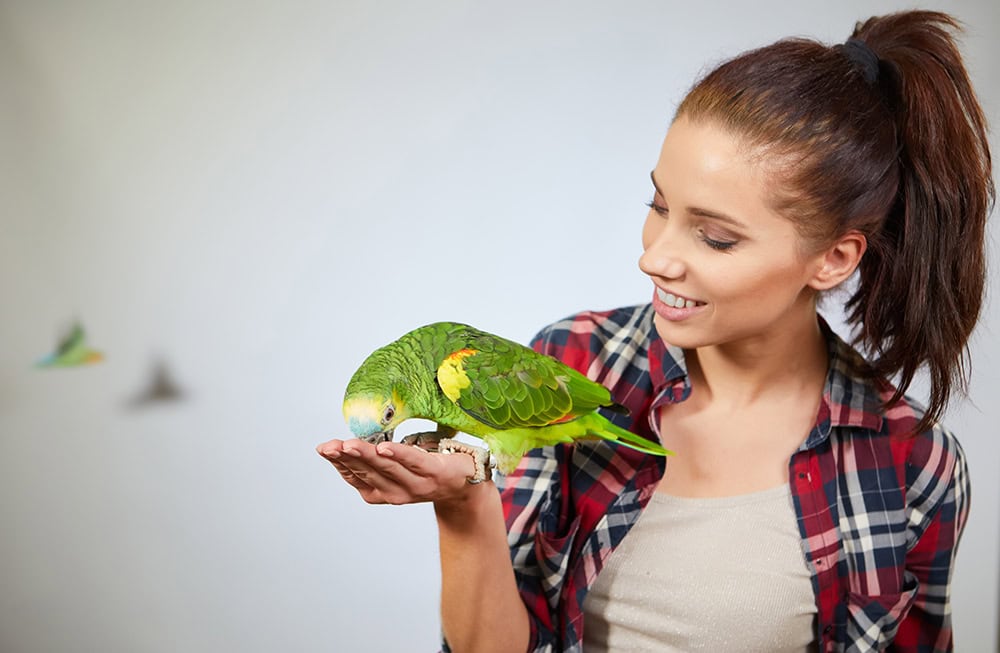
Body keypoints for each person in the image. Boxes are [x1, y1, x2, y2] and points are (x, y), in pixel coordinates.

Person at [317, 10, 992, 652]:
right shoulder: (575, 358)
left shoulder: (914, 466)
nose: (654, 257)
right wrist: (463, 500)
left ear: (833, 257)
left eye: (716, 236)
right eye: (658, 206)